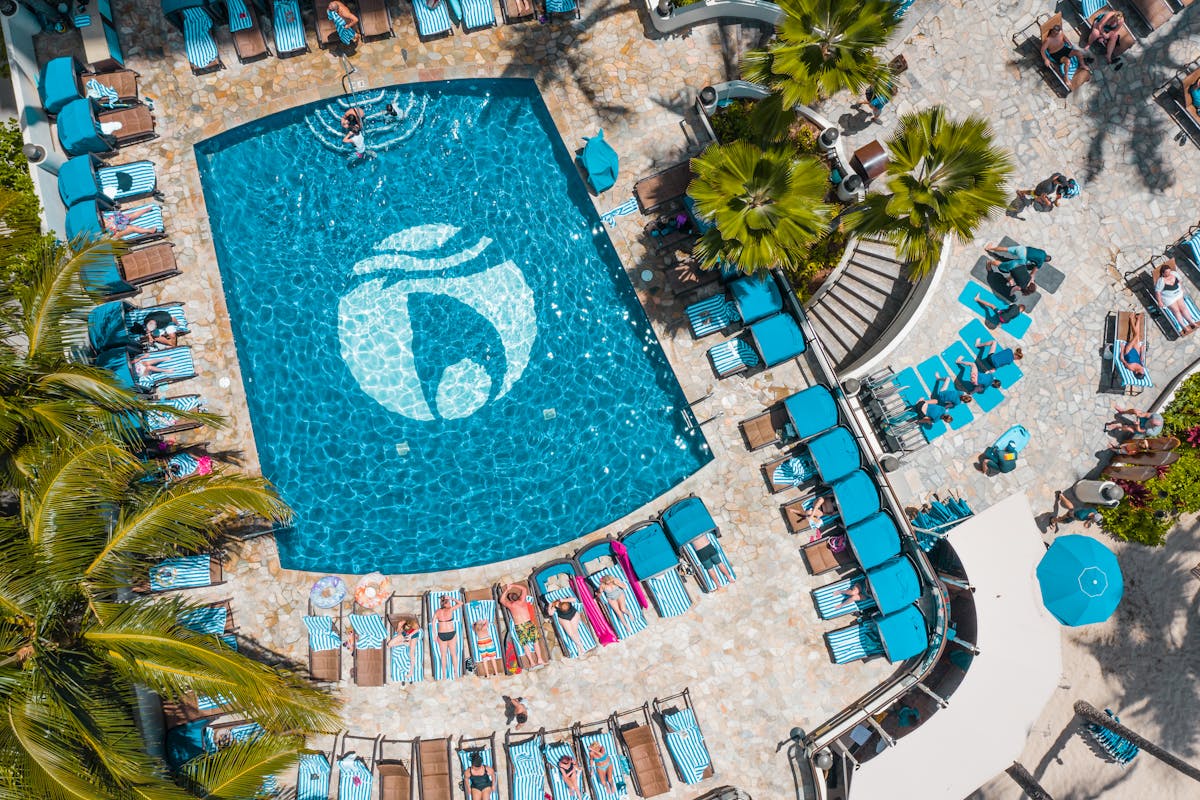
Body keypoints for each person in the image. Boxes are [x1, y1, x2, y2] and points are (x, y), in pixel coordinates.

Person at [499, 584, 545, 666]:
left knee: (525, 644)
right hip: (528, 624)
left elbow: (502, 600)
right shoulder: (522, 600)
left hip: (519, 626)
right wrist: (513, 585)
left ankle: (531, 662)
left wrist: (506, 590)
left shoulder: (511, 605)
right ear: (518, 596)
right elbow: (524, 589)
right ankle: (540, 659)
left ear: (510, 600)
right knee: (535, 642)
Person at [1154, 259, 1199, 334]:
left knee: (1183, 308)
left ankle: (1191, 322)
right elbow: (1157, 292)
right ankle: (1183, 326)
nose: (1169, 273)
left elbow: (1180, 280)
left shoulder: (1174, 273)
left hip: (1178, 294)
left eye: (1169, 271)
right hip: (1168, 298)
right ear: (1163, 273)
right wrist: (1159, 301)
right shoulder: (1161, 281)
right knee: (1176, 311)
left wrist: (1180, 288)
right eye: (1167, 272)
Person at [1040, 22, 1091, 88]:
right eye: (1053, 32)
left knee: (1078, 52)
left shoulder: (1061, 33)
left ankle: (1082, 65)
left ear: (1058, 32)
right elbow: (1042, 50)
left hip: (1064, 49)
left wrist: (1067, 41)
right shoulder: (1048, 40)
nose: (1054, 34)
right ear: (1052, 31)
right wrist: (1046, 59)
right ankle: (1066, 77)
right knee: (1067, 61)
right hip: (1056, 54)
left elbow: (1064, 38)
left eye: (1056, 33)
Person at [432, 595, 464, 672]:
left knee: (443, 655)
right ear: (445, 604)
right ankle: (456, 673)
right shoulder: (450, 609)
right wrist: (451, 598)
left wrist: (435, 635)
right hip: (451, 633)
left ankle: (443, 675)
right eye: (449, 603)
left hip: (441, 634)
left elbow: (433, 623)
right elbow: (461, 603)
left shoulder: (437, 611)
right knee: (453, 654)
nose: (450, 604)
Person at [1118, 313, 1147, 378]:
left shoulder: (1130, 368)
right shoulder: (1142, 367)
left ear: (1136, 372)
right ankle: (1138, 318)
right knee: (1137, 335)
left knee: (1136, 335)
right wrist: (1142, 349)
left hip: (1128, 352)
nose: (1143, 371)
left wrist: (1122, 348)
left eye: (1142, 372)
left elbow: (1122, 359)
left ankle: (1132, 319)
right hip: (1137, 352)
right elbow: (1141, 359)